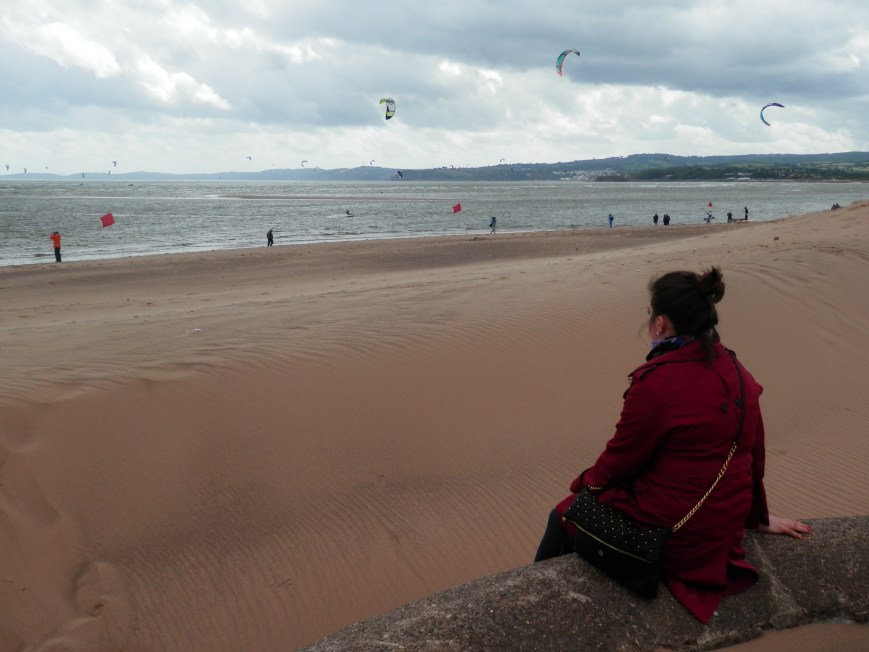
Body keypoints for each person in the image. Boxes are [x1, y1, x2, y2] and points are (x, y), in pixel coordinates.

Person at [534, 267, 811, 624]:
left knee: (563, 514)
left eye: (650, 315)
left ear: (661, 323)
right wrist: (754, 517)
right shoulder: (739, 372)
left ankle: (540, 611)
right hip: (722, 526)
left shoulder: (657, 383)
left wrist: (583, 486)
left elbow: (619, 462)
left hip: (677, 537)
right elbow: (752, 454)